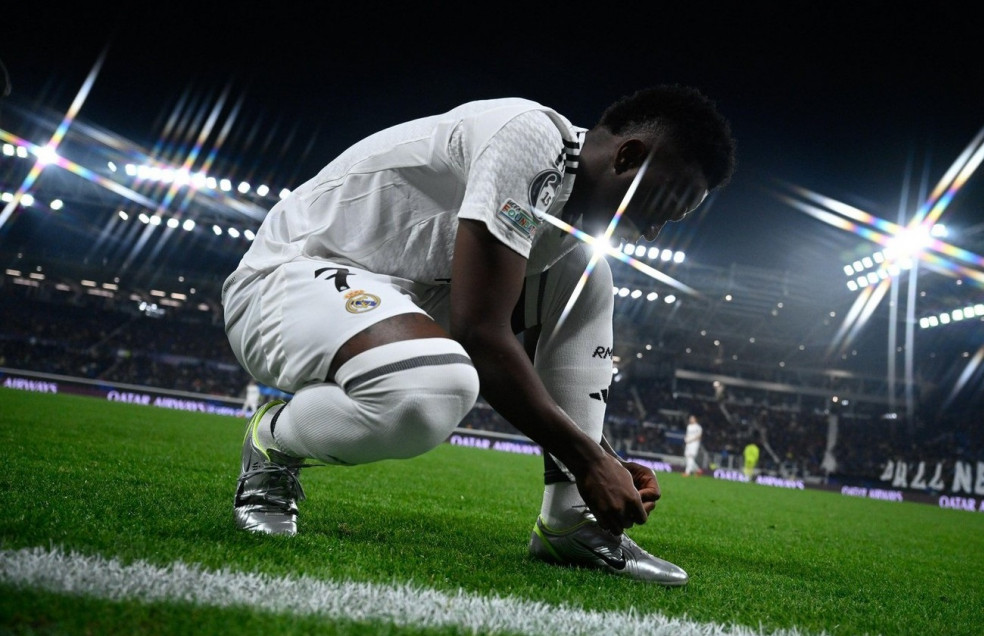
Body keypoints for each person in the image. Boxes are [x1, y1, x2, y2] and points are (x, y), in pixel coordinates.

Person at [222, 85, 736, 586]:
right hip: (287, 280)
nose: (651, 232)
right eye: (661, 204)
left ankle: (572, 521)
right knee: (434, 387)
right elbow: (480, 333)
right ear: (628, 155)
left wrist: (600, 458)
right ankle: (275, 440)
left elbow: (526, 350)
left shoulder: (560, 207)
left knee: (586, 271)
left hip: (407, 295)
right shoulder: (532, 137)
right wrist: (588, 460)